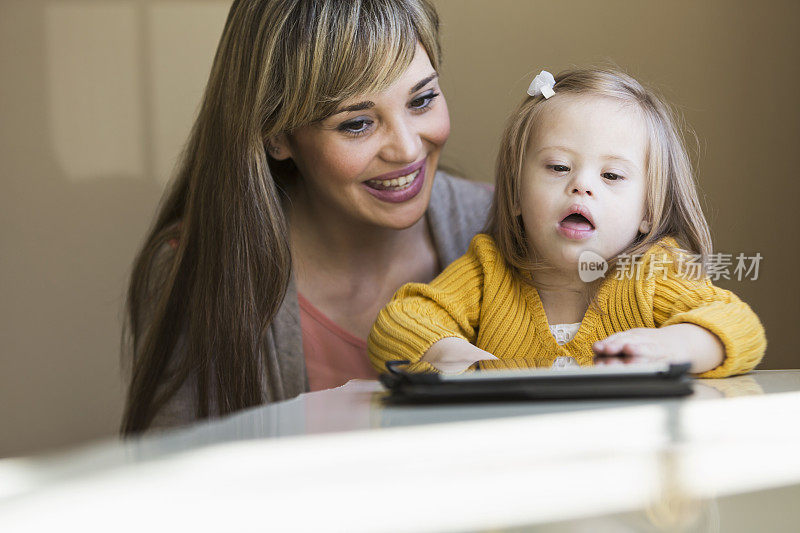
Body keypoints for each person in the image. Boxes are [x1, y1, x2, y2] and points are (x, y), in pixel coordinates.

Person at [121, 0, 492, 434]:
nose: (408, 149)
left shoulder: (510, 228)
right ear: (277, 135)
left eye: (423, 99)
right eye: (357, 124)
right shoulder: (195, 270)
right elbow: (176, 484)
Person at [368, 67, 766, 376]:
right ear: (517, 193)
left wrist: (672, 346)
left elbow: (738, 325)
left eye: (611, 176)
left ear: (648, 212)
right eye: (559, 167)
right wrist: (455, 358)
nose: (581, 186)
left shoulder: (652, 274)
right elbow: (401, 322)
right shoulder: (488, 272)